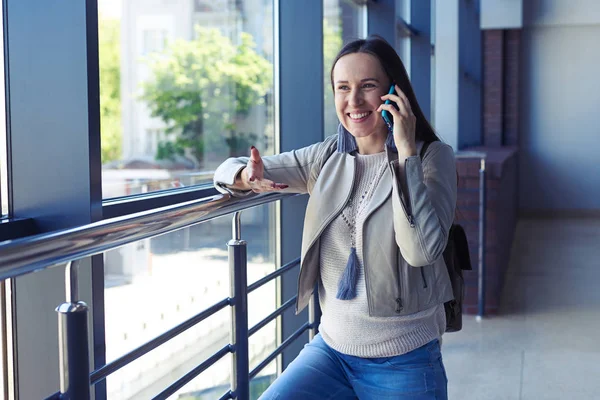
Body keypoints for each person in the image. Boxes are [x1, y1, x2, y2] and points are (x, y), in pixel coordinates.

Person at [214, 35, 456, 400]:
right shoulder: (328, 155)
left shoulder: (432, 158)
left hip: (404, 360)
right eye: (343, 88)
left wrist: (405, 154)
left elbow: (421, 250)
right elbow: (232, 168)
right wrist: (245, 177)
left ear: (395, 92)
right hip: (331, 352)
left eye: (367, 86)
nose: (354, 101)